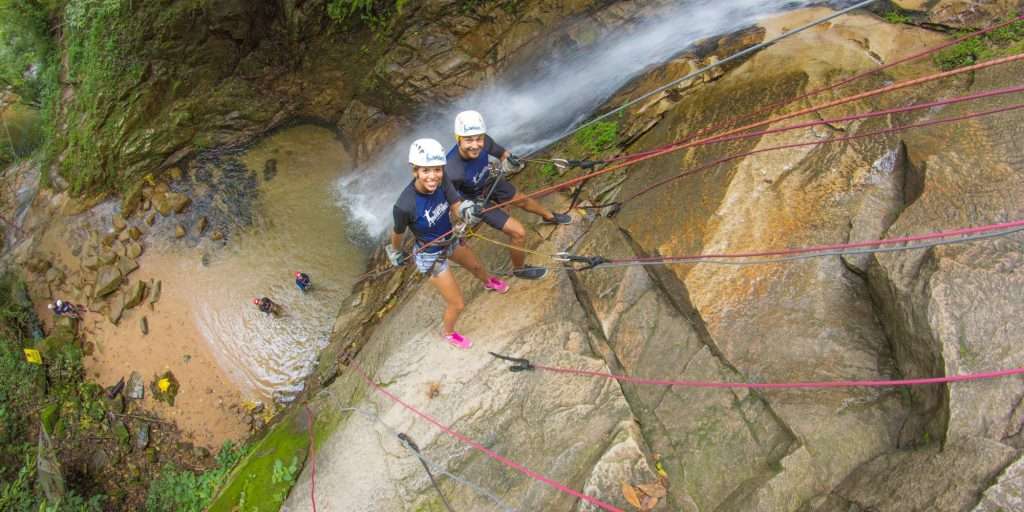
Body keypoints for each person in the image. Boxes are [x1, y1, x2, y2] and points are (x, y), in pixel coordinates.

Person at [388, 138, 509, 349]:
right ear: (415, 170)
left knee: (477, 267)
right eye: (426, 171)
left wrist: (465, 211)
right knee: (457, 303)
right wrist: (394, 251)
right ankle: (449, 333)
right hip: (431, 255)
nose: (432, 176)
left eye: (437, 169)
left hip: (450, 238)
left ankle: (488, 282)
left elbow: (455, 203)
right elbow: (398, 232)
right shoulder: (404, 205)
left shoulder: (443, 181)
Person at [445, 110, 571, 281]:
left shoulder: (485, 141)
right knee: (518, 232)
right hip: (476, 201)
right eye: (469, 140)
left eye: (478, 138)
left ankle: (549, 216)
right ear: (458, 138)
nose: (475, 145)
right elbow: (453, 204)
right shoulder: (451, 170)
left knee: (523, 200)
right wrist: (466, 212)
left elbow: (503, 153)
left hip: (489, 181)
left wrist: (511, 161)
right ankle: (519, 270)